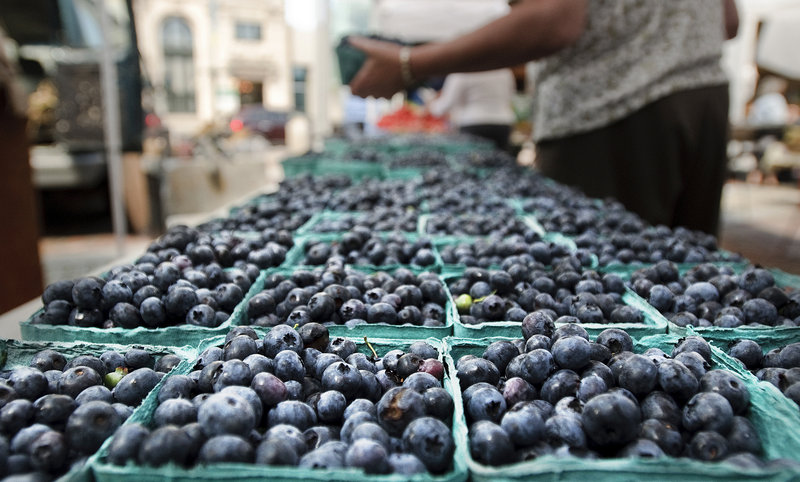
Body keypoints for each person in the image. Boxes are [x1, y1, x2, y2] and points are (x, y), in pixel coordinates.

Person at [349, 0, 740, 236]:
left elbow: (553, 18)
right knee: (690, 293)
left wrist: (410, 63)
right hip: (703, 94)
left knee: (598, 292)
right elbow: (729, 21)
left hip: (611, 104)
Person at [426, 69, 516, 151]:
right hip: (503, 124)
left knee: (473, 162)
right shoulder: (504, 71)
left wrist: (431, 105)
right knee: (500, 163)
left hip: (473, 125)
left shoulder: (463, 72)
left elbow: (445, 105)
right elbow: (511, 95)